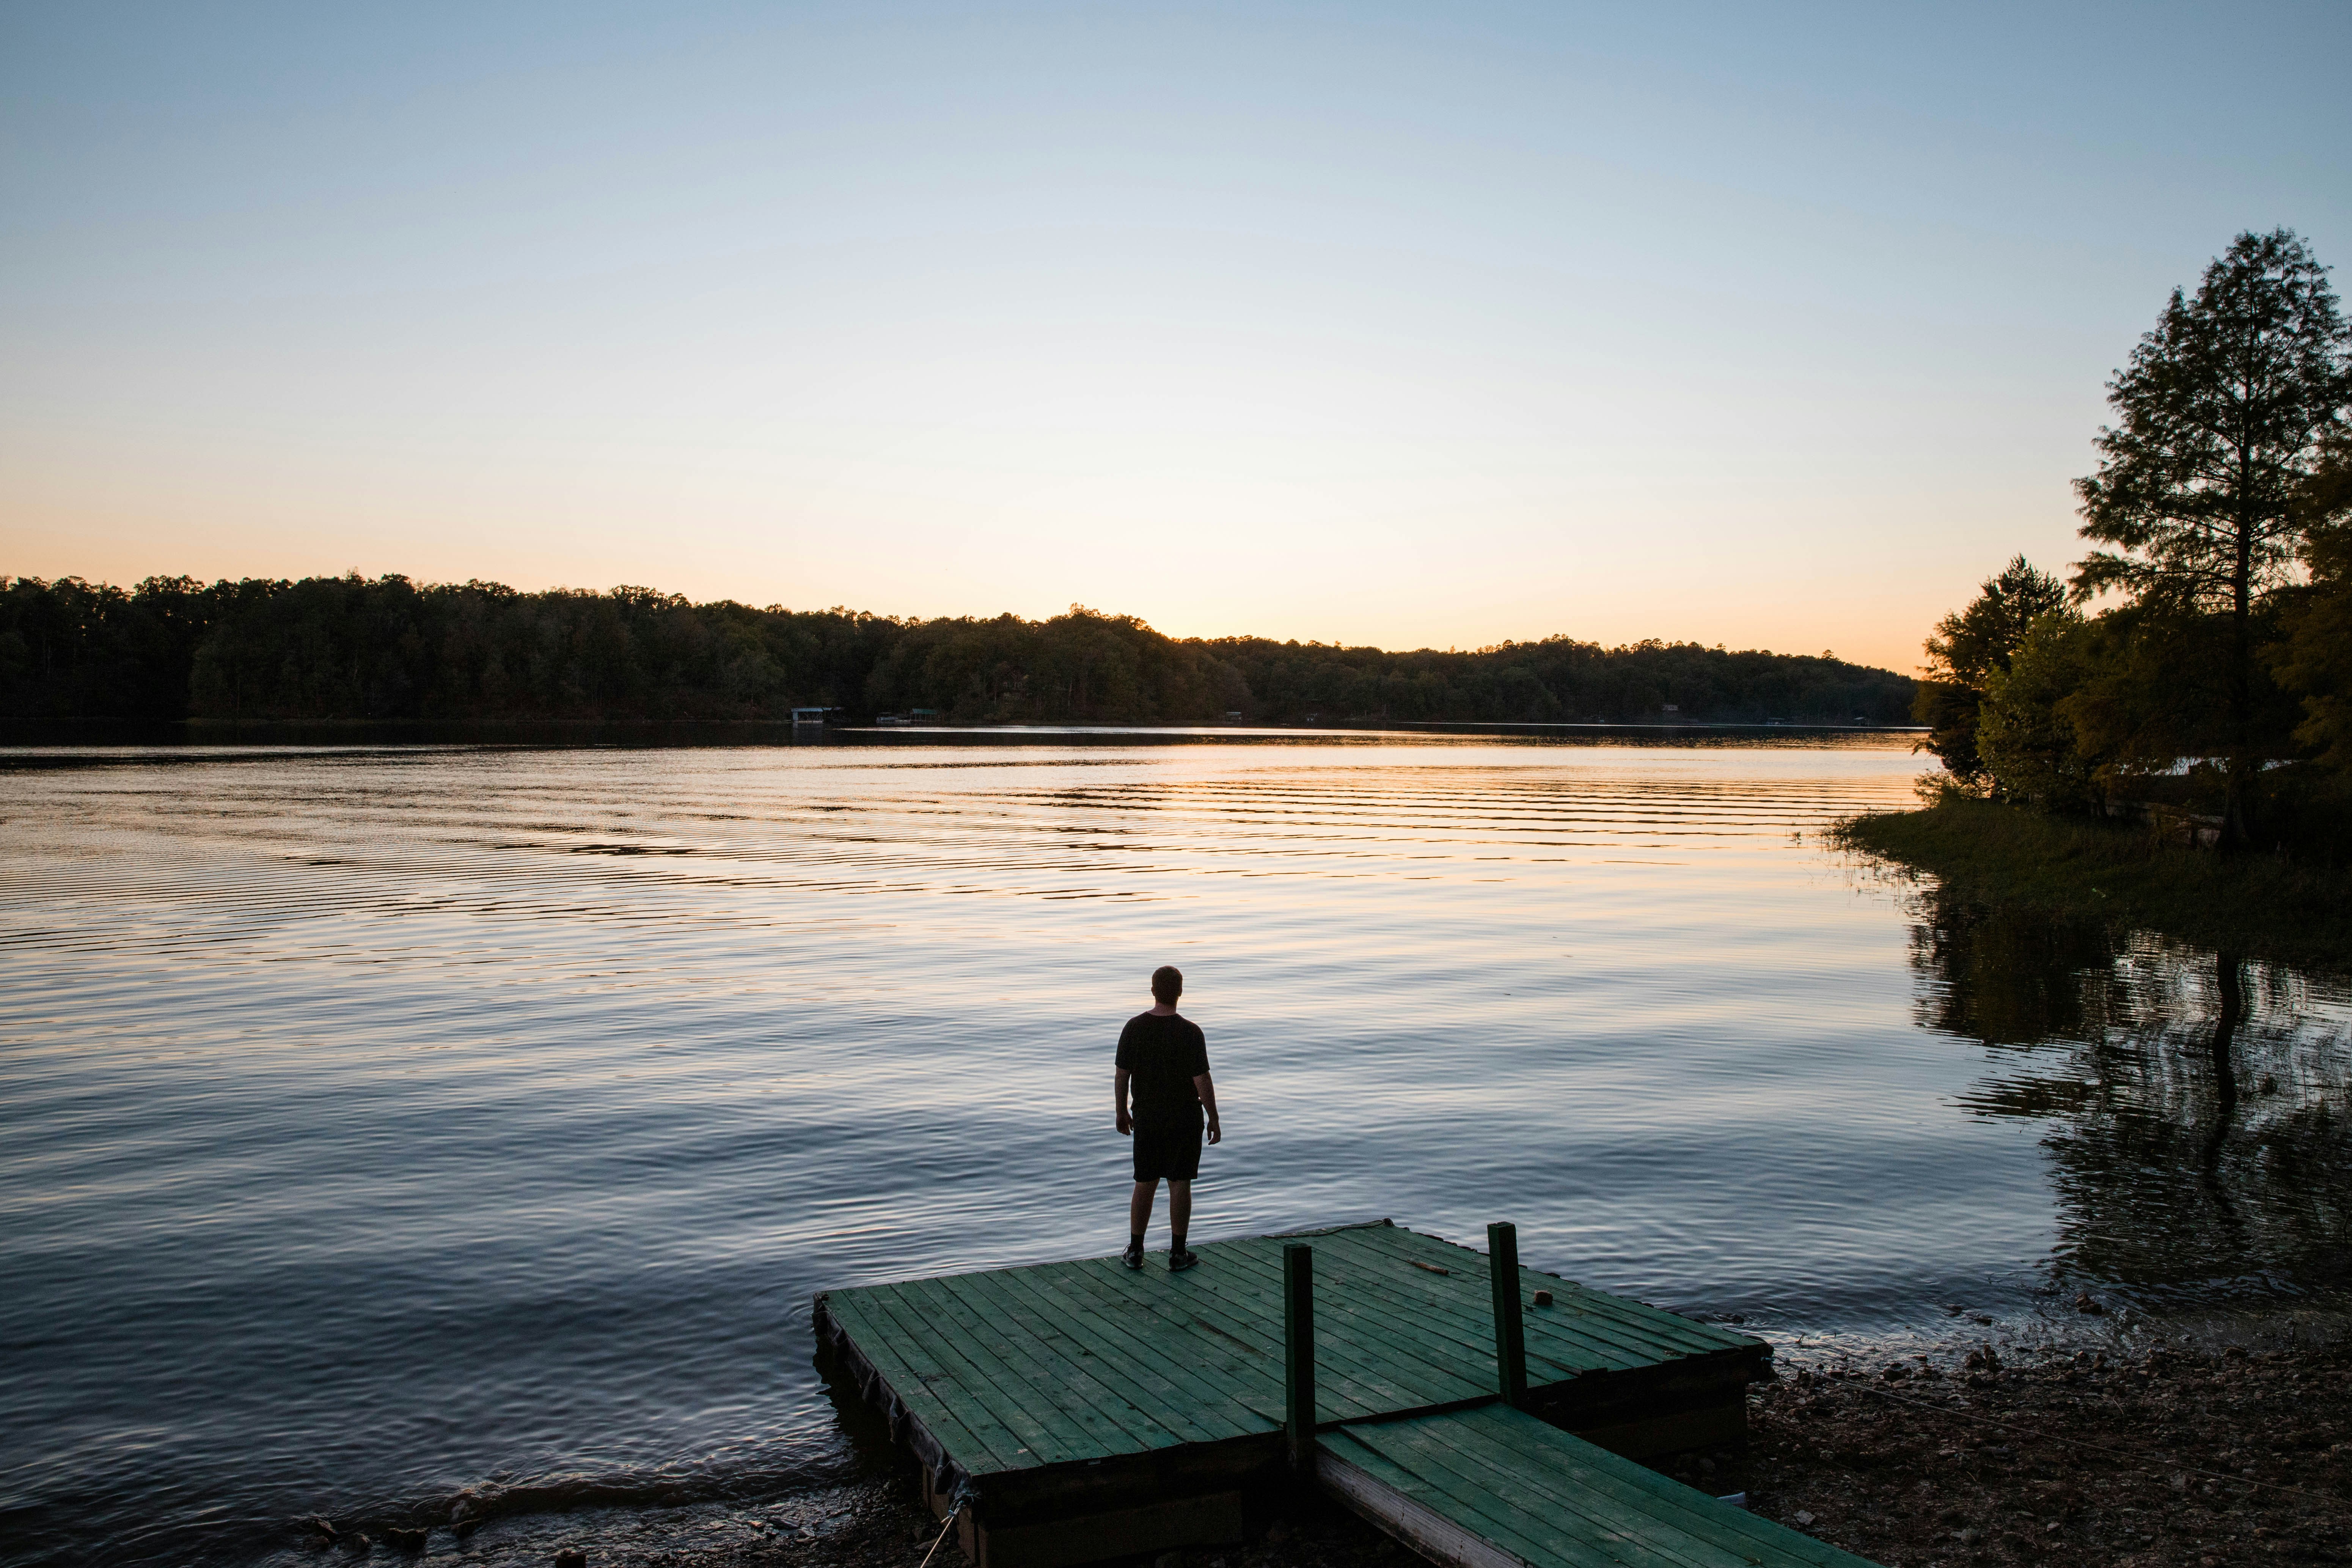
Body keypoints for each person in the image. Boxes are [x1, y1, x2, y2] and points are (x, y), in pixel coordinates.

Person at [1114, 965, 1221, 1272]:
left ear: (1152, 991)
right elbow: (1202, 1079)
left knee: (1144, 1181)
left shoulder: (1133, 1027)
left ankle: (1135, 1251)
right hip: (1184, 1118)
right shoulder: (1190, 1032)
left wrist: (1121, 1110)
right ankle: (1177, 1253)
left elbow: (1122, 1075)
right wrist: (1213, 1117)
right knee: (1180, 1182)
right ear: (1180, 992)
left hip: (1146, 1116)